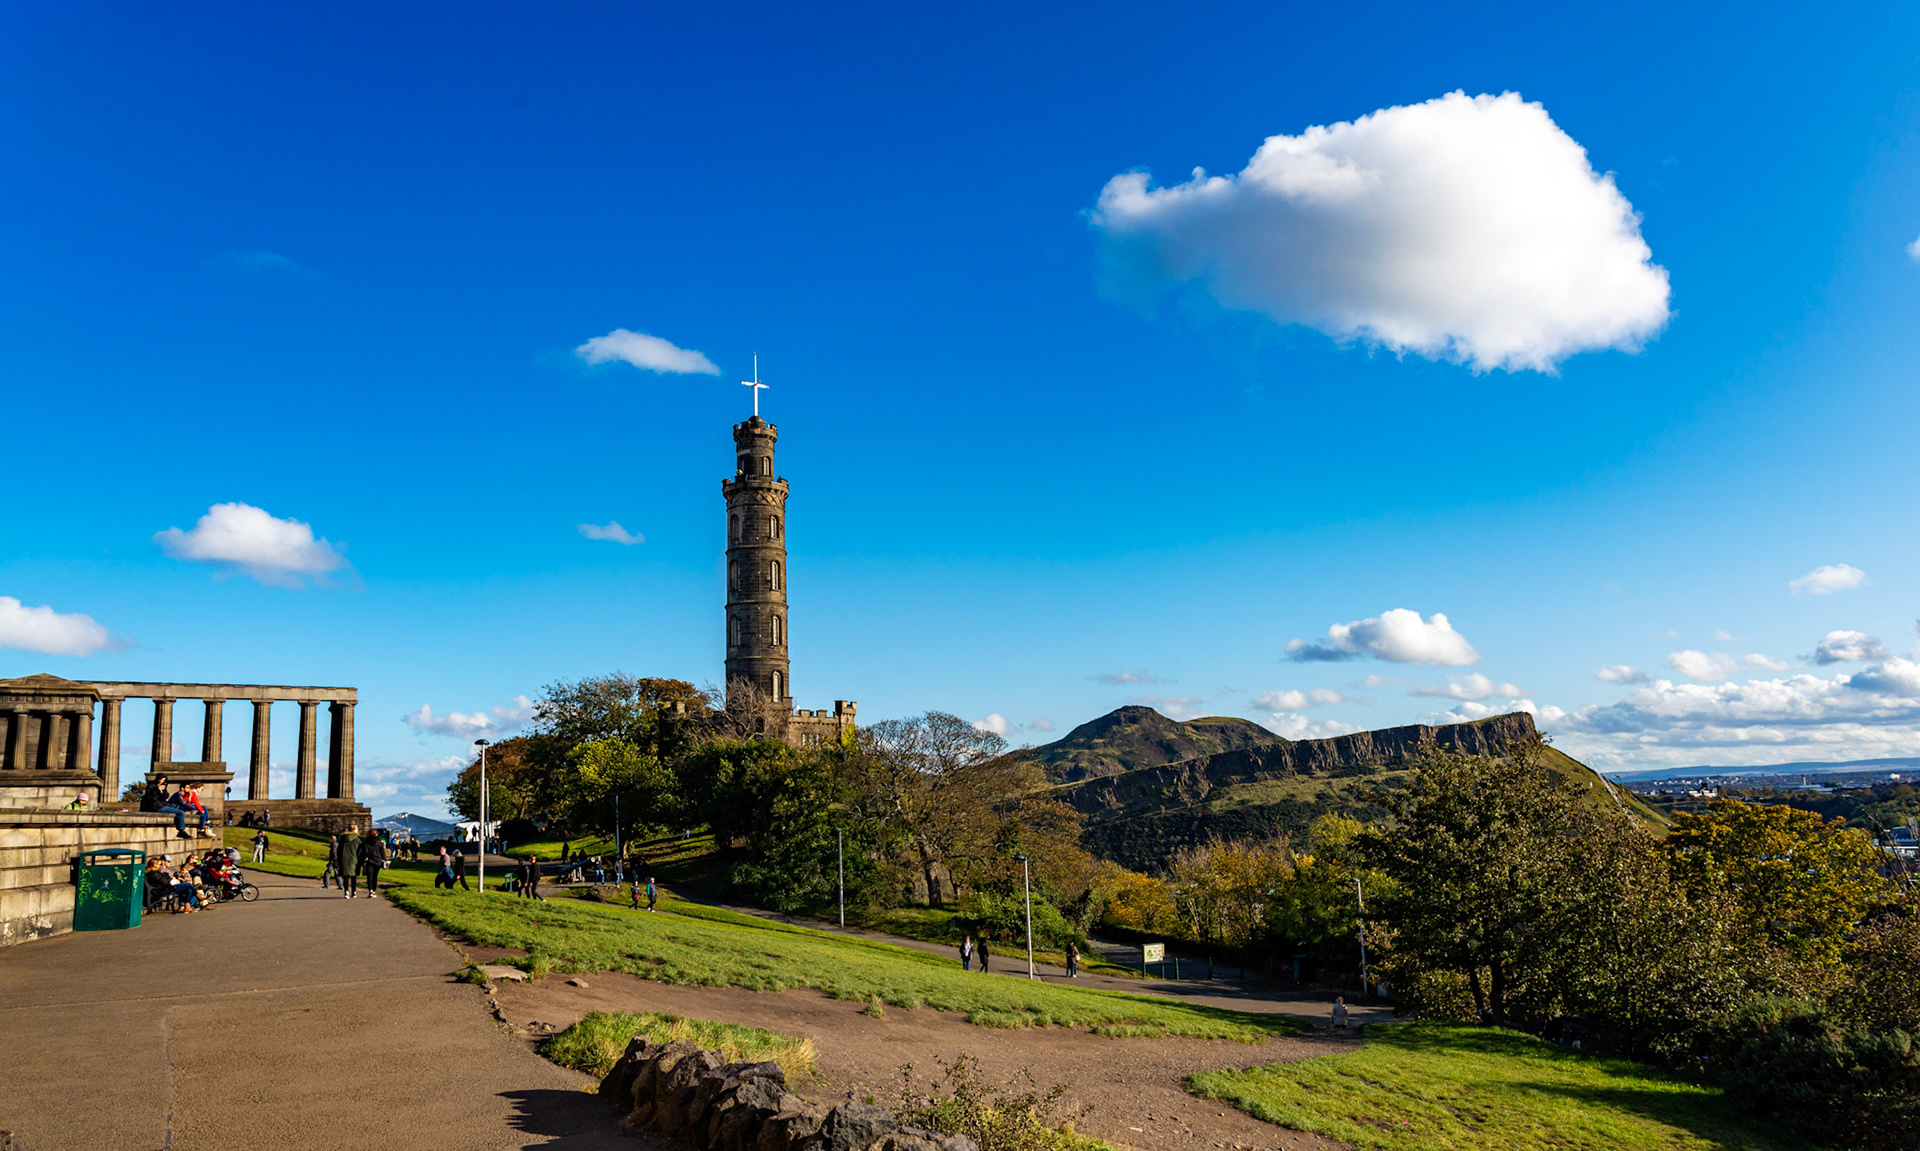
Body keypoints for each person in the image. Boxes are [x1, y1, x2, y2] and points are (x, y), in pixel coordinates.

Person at [362, 831, 389, 898]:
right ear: (376, 834)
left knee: (369, 877)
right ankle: (374, 890)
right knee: (375, 877)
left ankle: (370, 890)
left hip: (370, 861)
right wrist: (384, 859)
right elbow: (382, 852)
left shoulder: (366, 842)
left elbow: (365, 852)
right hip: (377, 861)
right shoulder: (379, 842)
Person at [338, 830, 363, 899]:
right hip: (354, 859)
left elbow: (339, 850)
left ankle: (346, 891)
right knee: (353, 877)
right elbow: (360, 851)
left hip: (344, 859)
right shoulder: (357, 840)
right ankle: (354, 892)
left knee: (345, 877)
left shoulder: (342, 839)